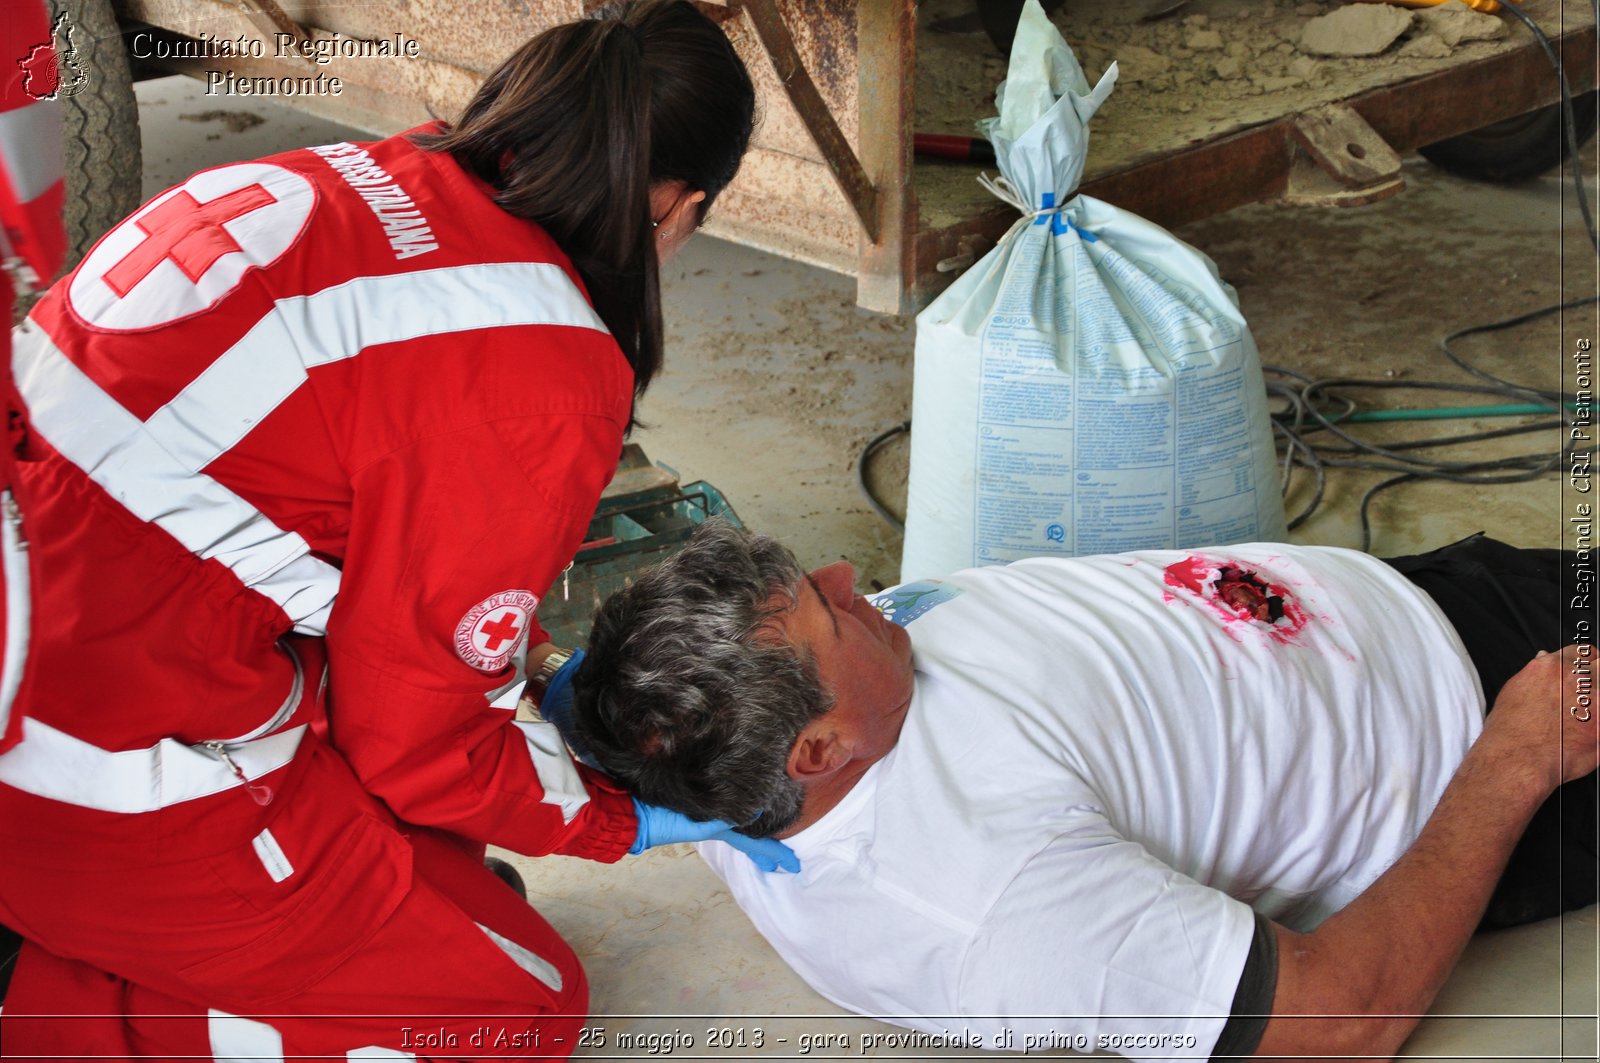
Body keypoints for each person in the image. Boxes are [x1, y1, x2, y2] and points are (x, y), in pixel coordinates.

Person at [0, 4, 792, 1059]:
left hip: (62, 607)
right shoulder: (541, 379)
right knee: (511, 1005)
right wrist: (609, 820)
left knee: (450, 872)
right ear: (678, 210)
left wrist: (500, 677)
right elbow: (414, 744)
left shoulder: (354, 178)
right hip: (79, 738)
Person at [573, 519, 1598, 1062]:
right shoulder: (986, 898)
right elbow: (1335, 1024)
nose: (852, 579)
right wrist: (1518, 757)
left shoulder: (667, 734)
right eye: (830, 615)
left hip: (1414, 601)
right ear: (817, 751)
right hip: (1472, 726)